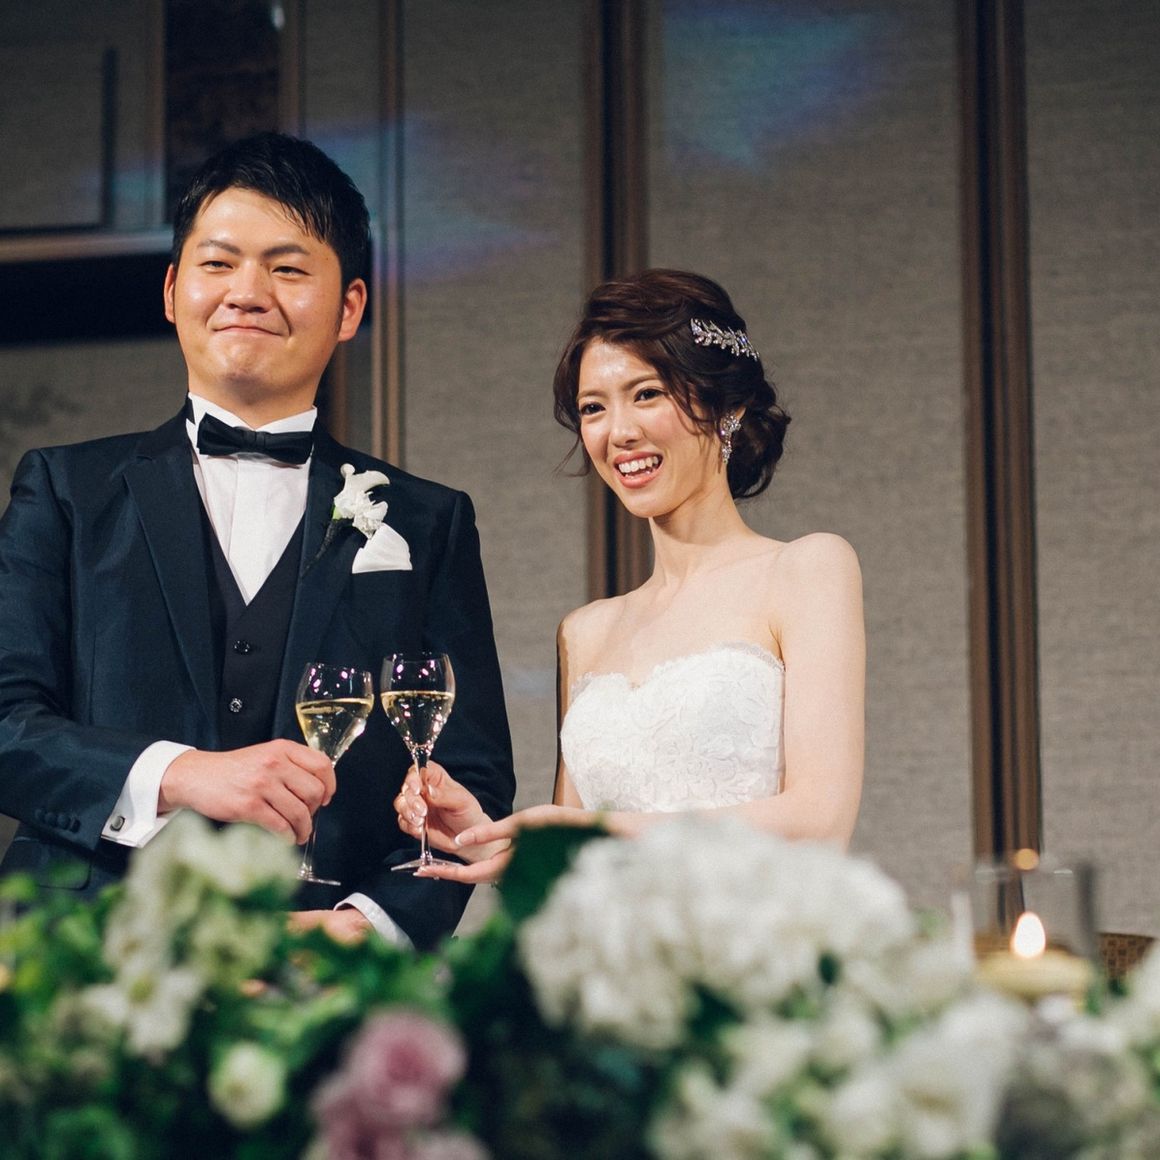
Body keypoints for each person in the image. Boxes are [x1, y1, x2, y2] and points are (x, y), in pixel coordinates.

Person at [0, 133, 514, 951]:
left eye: (287, 268)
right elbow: (7, 723)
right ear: (172, 290)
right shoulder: (65, 491)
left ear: (350, 308)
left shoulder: (427, 520)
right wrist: (180, 773)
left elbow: (470, 774)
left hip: (327, 972)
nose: (247, 292)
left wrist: (366, 929)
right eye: (218, 263)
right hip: (83, 953)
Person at [395, 268, 863, 882]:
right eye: (594, 408)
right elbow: (571, 876)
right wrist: (485, 839)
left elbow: (820, 821)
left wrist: (595, 830)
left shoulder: (806, 569)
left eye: (646, 394)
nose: (619, 432)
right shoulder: (585, 632)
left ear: (725, 405)